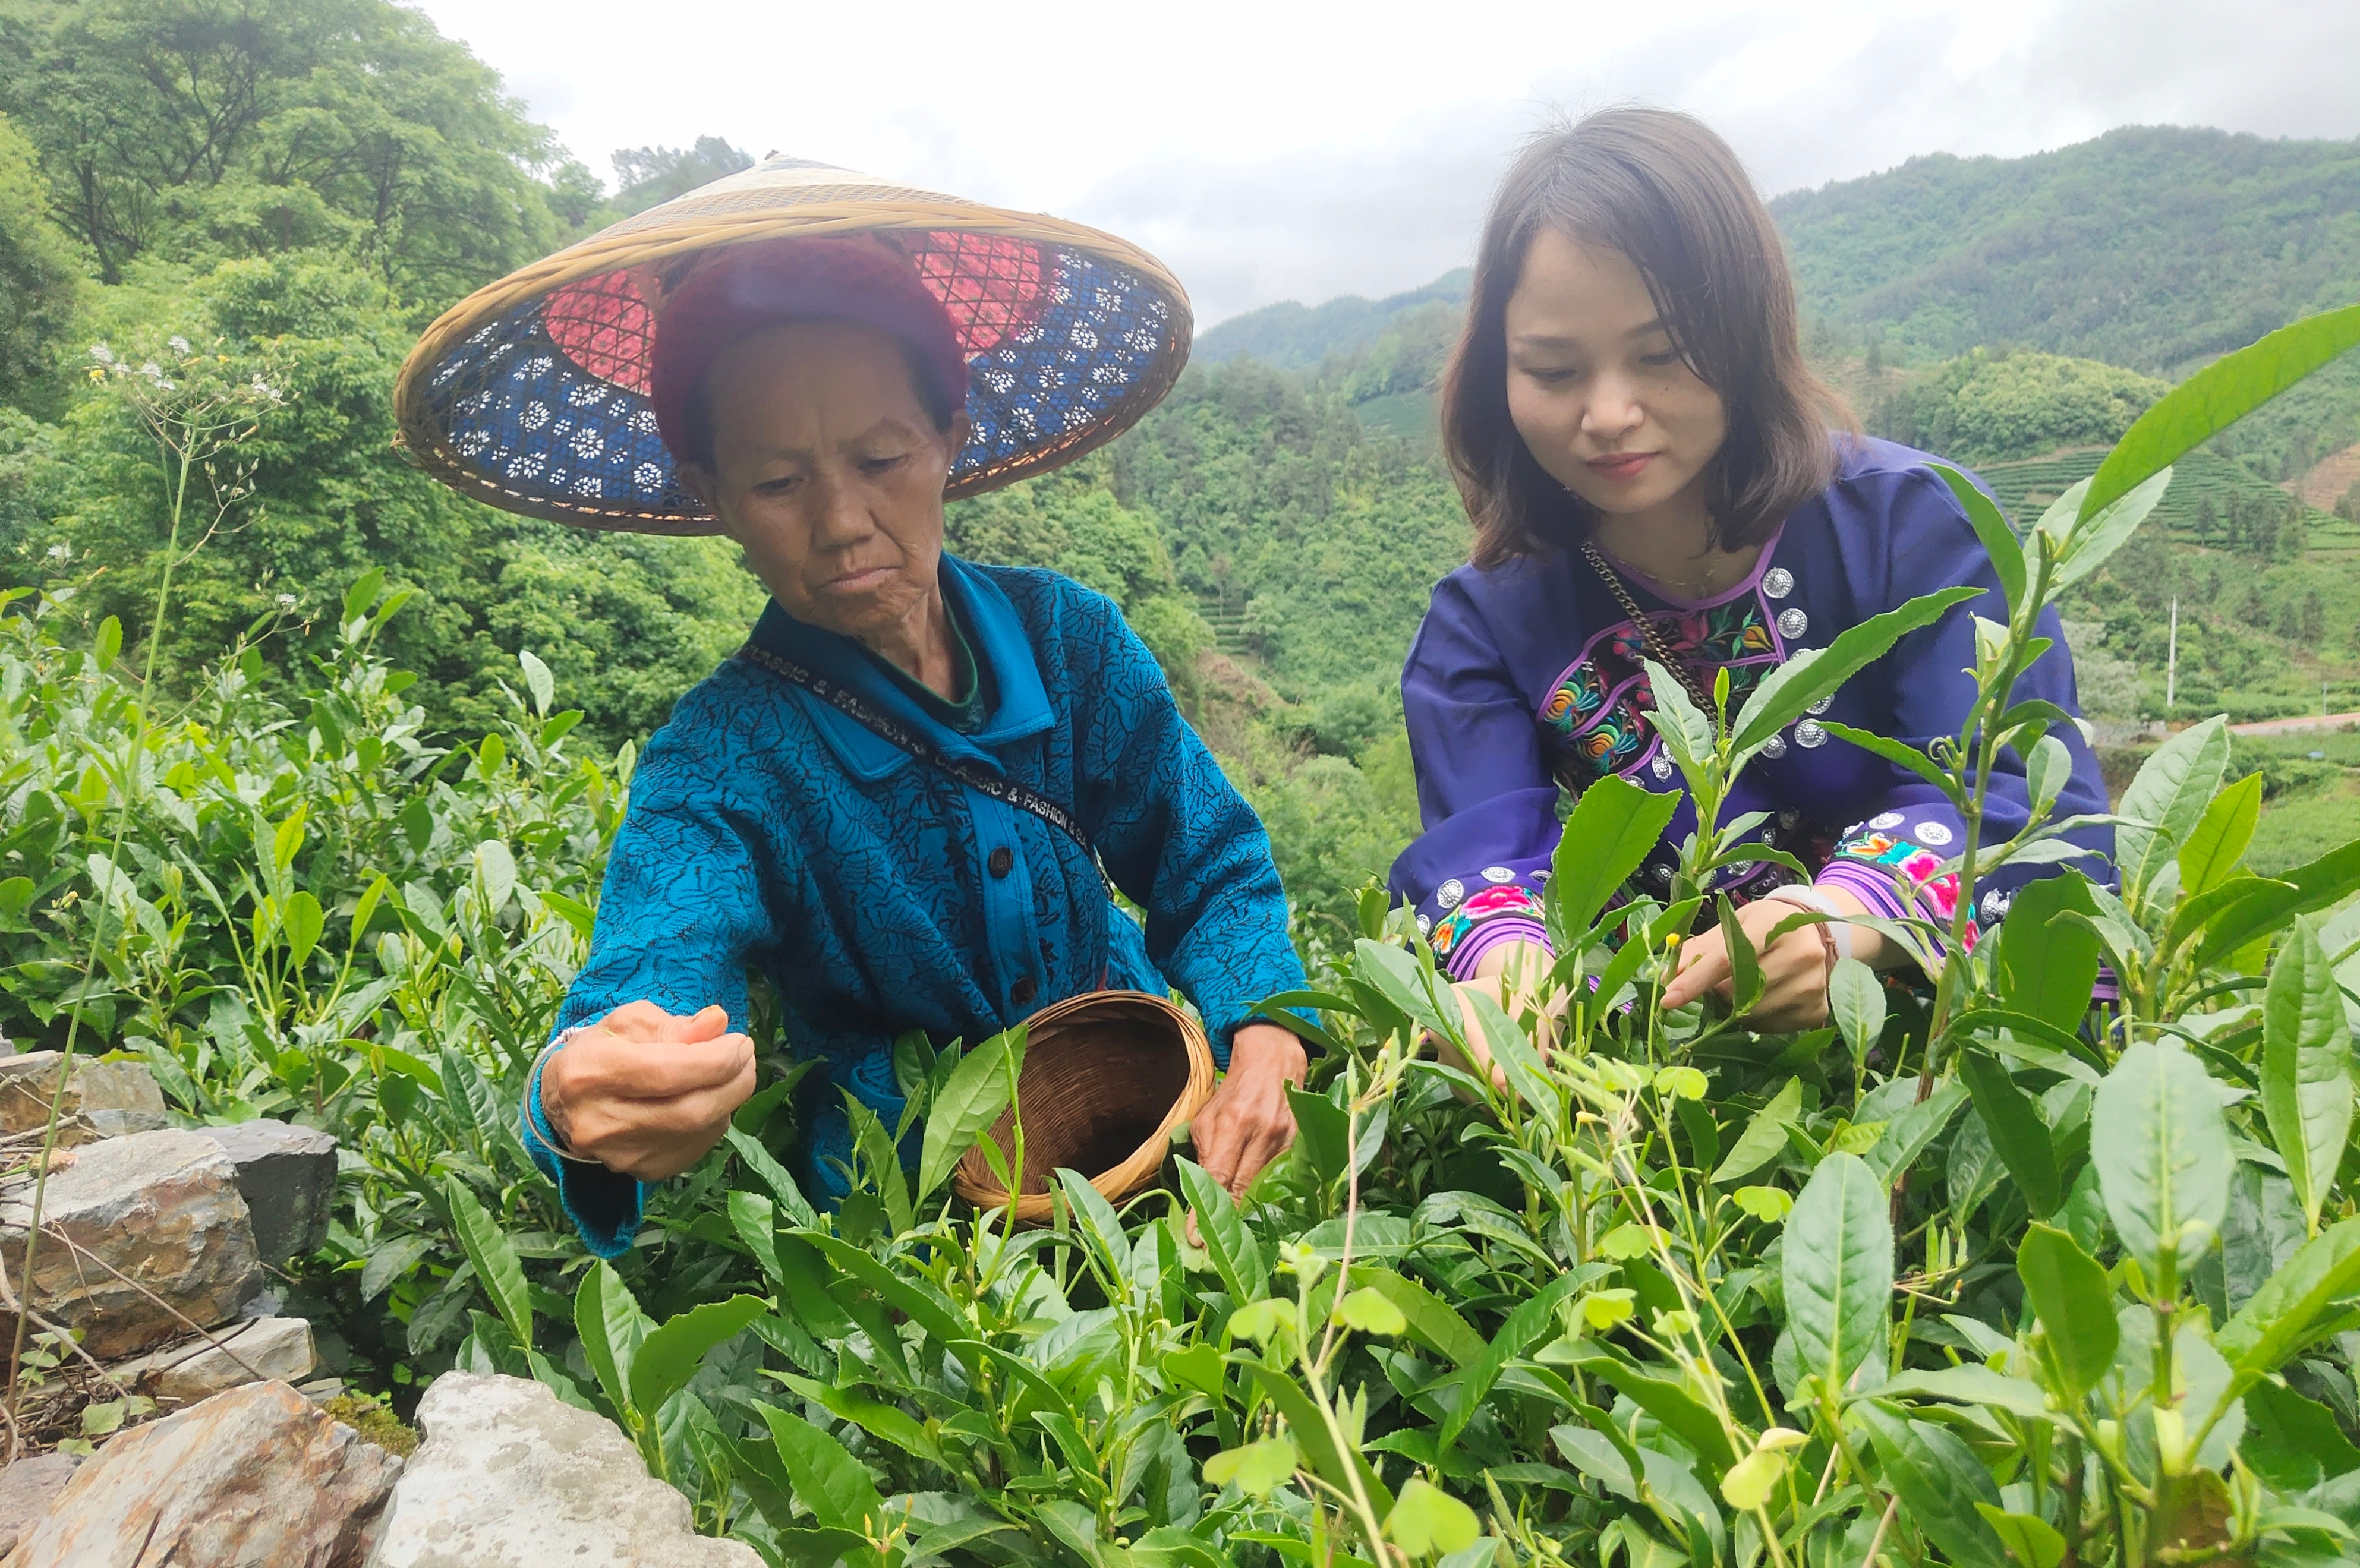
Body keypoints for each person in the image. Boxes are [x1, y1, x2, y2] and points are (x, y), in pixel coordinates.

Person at [395, 160, 1308, 1258]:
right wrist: (582, 1091)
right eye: (778, 485)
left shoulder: (1074, 645)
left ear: (949, 444)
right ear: (710, 497)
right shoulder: (720, 760)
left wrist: (1264, 1035)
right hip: (909, 1240)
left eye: (882, 458)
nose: (840, 522)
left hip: (1166, 1140)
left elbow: (1208, 866)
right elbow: (654, 964)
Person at [1389, 108, 2113, 1031]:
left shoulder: (1917, 528)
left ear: (1745, 334)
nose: (1608, 413)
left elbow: (2018, 794)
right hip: (1709, 1080)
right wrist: (1508, 978)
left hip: (1962, 1055)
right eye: (1553, 369)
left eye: (1660, 354)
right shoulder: (1485, 627)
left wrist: (1850, 916)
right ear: (1498, 371)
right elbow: (1481, 860)